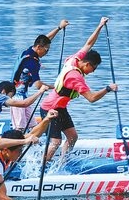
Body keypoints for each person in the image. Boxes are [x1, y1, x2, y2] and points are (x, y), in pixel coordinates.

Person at [41, 17, 118, 164]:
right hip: (50, 108)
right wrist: (108, 89)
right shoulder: (75, 77)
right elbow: (91, 98)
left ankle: (62, 164)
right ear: (87, 64)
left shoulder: (75, 59)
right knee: (56, 142)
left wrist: (100, 25)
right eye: (93, 69)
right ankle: (41, 168)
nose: (92, 72)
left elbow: (89, 43)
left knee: (72, 137)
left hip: (60, 108)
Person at [10, 20, 69, 129]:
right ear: (38, 47)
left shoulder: (28, 51)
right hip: (16, 98)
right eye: (46, 50)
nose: (46, 53)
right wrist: (56, 86)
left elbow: (46, 39)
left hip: (24, 96)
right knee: (20, 129)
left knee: (32, 126)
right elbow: (38, 85)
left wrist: (59, 28)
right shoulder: (32, 62)